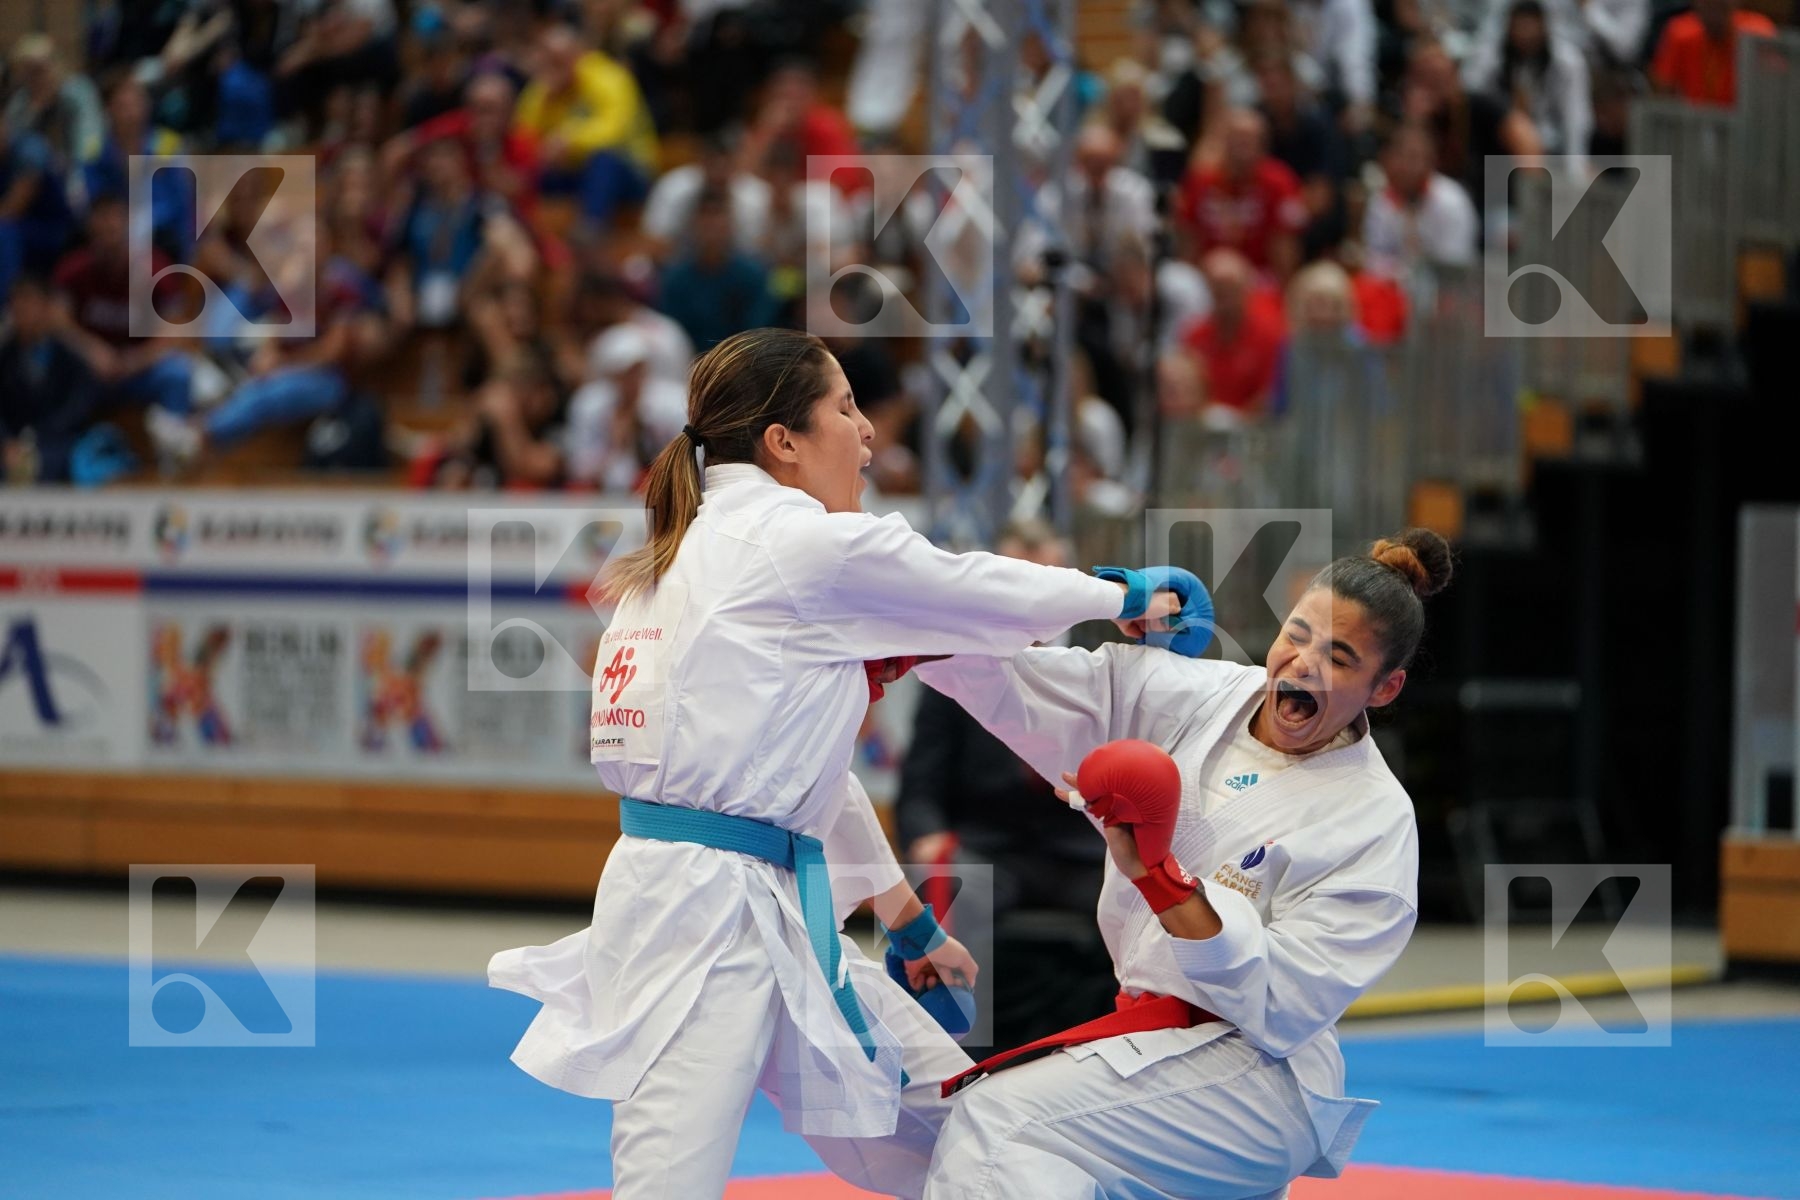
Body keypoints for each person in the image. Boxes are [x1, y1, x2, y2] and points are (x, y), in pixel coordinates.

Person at [487, 327, 1184, 1199]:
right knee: (668, 1177)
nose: (868, 434)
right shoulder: (793, 543)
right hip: (700, 916)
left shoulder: (687, 551)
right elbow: (964, 588)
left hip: (750, 893)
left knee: (962, 1121)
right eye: (846, 409)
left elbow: (795, 783)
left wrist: (906, 919)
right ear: (783, 442)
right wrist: (1119, 597)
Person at [912, 529, 1453, 1199]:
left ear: (1385, 687)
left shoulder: (1374, 821)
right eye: (1298, 634)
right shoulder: (1195, 696)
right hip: (1146, 1039)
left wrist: (1159, 877)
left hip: (1256, 1077)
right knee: (1012, 1157)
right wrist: (903, 630)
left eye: (1339, 657)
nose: (1304, 663)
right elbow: (1013, 677)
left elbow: (1282, 1002)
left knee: (997, 1121)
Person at [1648, 0, 1776, 108]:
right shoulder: (1680, 33)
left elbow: (1773, 92)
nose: (1714, 5)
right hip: (1692, 125)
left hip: (1744, 126)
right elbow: (1663, 93)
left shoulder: (1756, 34)